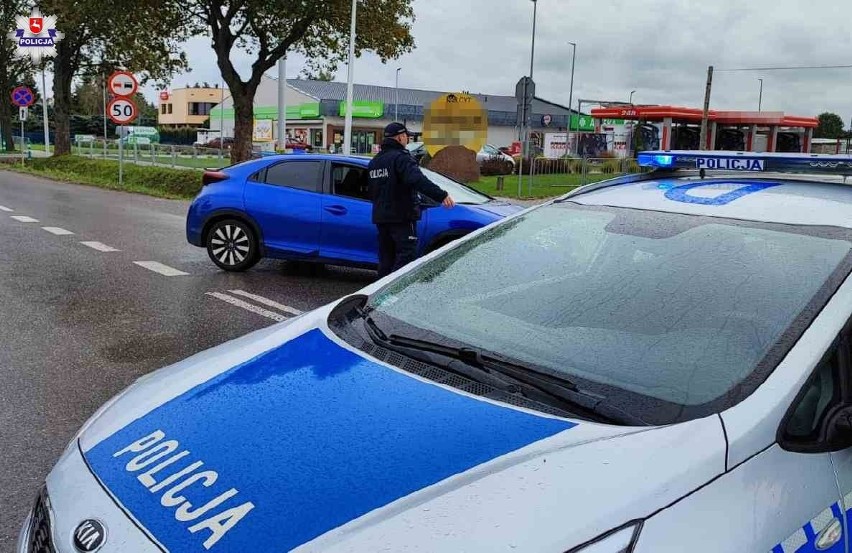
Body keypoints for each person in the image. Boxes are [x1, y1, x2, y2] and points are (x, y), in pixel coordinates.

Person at [368, 122, 455, 278]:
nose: (407, 139)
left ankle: (379, 294)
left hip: (381, 217)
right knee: (405, 258)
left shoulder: (375, 162)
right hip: (402, 217)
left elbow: (372, 190)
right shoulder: (401, 158)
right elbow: (417, 180)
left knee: (386, 259)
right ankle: (394, 294)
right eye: (407, 136)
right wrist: (441, 195)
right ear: (401, 137)